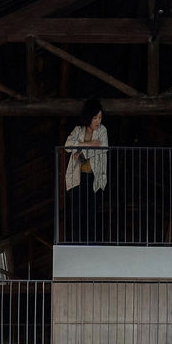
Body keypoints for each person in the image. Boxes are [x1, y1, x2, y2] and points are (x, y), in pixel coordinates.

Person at [63, 98, 108, 242]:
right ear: (88, 117)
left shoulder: (102, 131)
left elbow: (103, 148)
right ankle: (76, 242)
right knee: (77, 211)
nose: (98, 121)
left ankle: (90, 243)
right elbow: (68, 146)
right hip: (77, 177)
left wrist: (81, 153)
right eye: (95, 117)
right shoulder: (78, 130)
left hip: (94, 177)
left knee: (92, 212)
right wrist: (90, 144)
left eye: (100, 117)